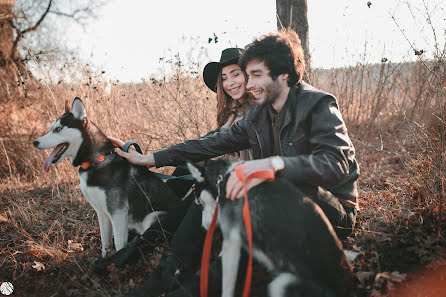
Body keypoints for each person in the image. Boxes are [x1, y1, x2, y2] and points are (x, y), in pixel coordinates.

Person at [116, 29, 359, 297]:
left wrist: (273, 166)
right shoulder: (256, 116)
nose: (249, 84)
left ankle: (197, 289)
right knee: (216, 186)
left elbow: (337, 164)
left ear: (283, 75)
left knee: (257, 190)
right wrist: (150, 158)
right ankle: (165, 277)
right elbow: (208, 144)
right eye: (249, 75)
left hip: (329, 209)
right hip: (278, 202)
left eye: (256, 74)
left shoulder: (318, 104)